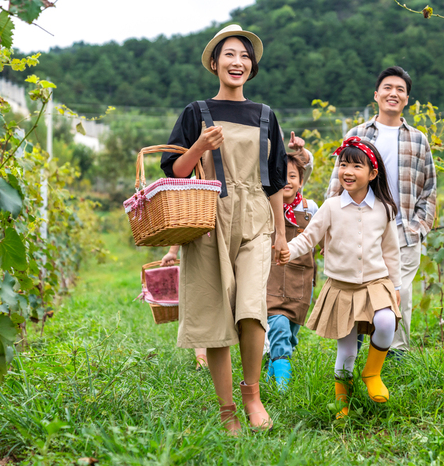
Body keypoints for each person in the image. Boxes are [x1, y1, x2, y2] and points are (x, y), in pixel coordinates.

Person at [159, 24, 288, 433]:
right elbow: (176, 174)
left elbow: (275, 181)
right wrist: (200, 147)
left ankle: (253, 394)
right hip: (208, 219)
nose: (238, 62)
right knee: (215, 315)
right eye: (230, 55)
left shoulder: (265, 115)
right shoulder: (196, 112)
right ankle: (226, 409)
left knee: (252, 310)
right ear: (215, 63)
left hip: (254, 217)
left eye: (245, 56)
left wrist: (281, 234)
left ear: (252, 67)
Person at [280, 137, 401, 418]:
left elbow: (391, 251)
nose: (347, 171)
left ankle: (372, 373)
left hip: (375, 283)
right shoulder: (331, 207)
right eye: (343, 164)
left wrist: (395, 286)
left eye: (356, 166)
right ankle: (342, 404)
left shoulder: (383, 209)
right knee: (346, 348)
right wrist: (287, 250)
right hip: (342, 287)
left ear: (372, 173)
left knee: (386, 321)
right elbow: (308, 238)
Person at [326, 66, 437, 358]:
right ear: (376, 95)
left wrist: (418, 227)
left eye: (400, 89)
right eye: (388, 87)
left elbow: (429, 189)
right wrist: (331, 230)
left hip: (403, 232)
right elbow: (336, 185)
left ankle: (395, 359)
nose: (394, 93)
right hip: (359, 228)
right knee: (356, 290)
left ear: (407, 100)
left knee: (400, 296)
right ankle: (352, 357)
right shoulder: (357, 134)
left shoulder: (418, 139)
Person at [265, 149, 319, 391]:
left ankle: (272, 370)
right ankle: (283, 382)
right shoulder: (265, 207)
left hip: (301, 280)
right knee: (277, 324)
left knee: (290, 334)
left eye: (293, 176)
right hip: (272, 278)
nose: (287, 181)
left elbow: (322, 239)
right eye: (281, 175)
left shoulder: (311, 209)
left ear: (301, 181)